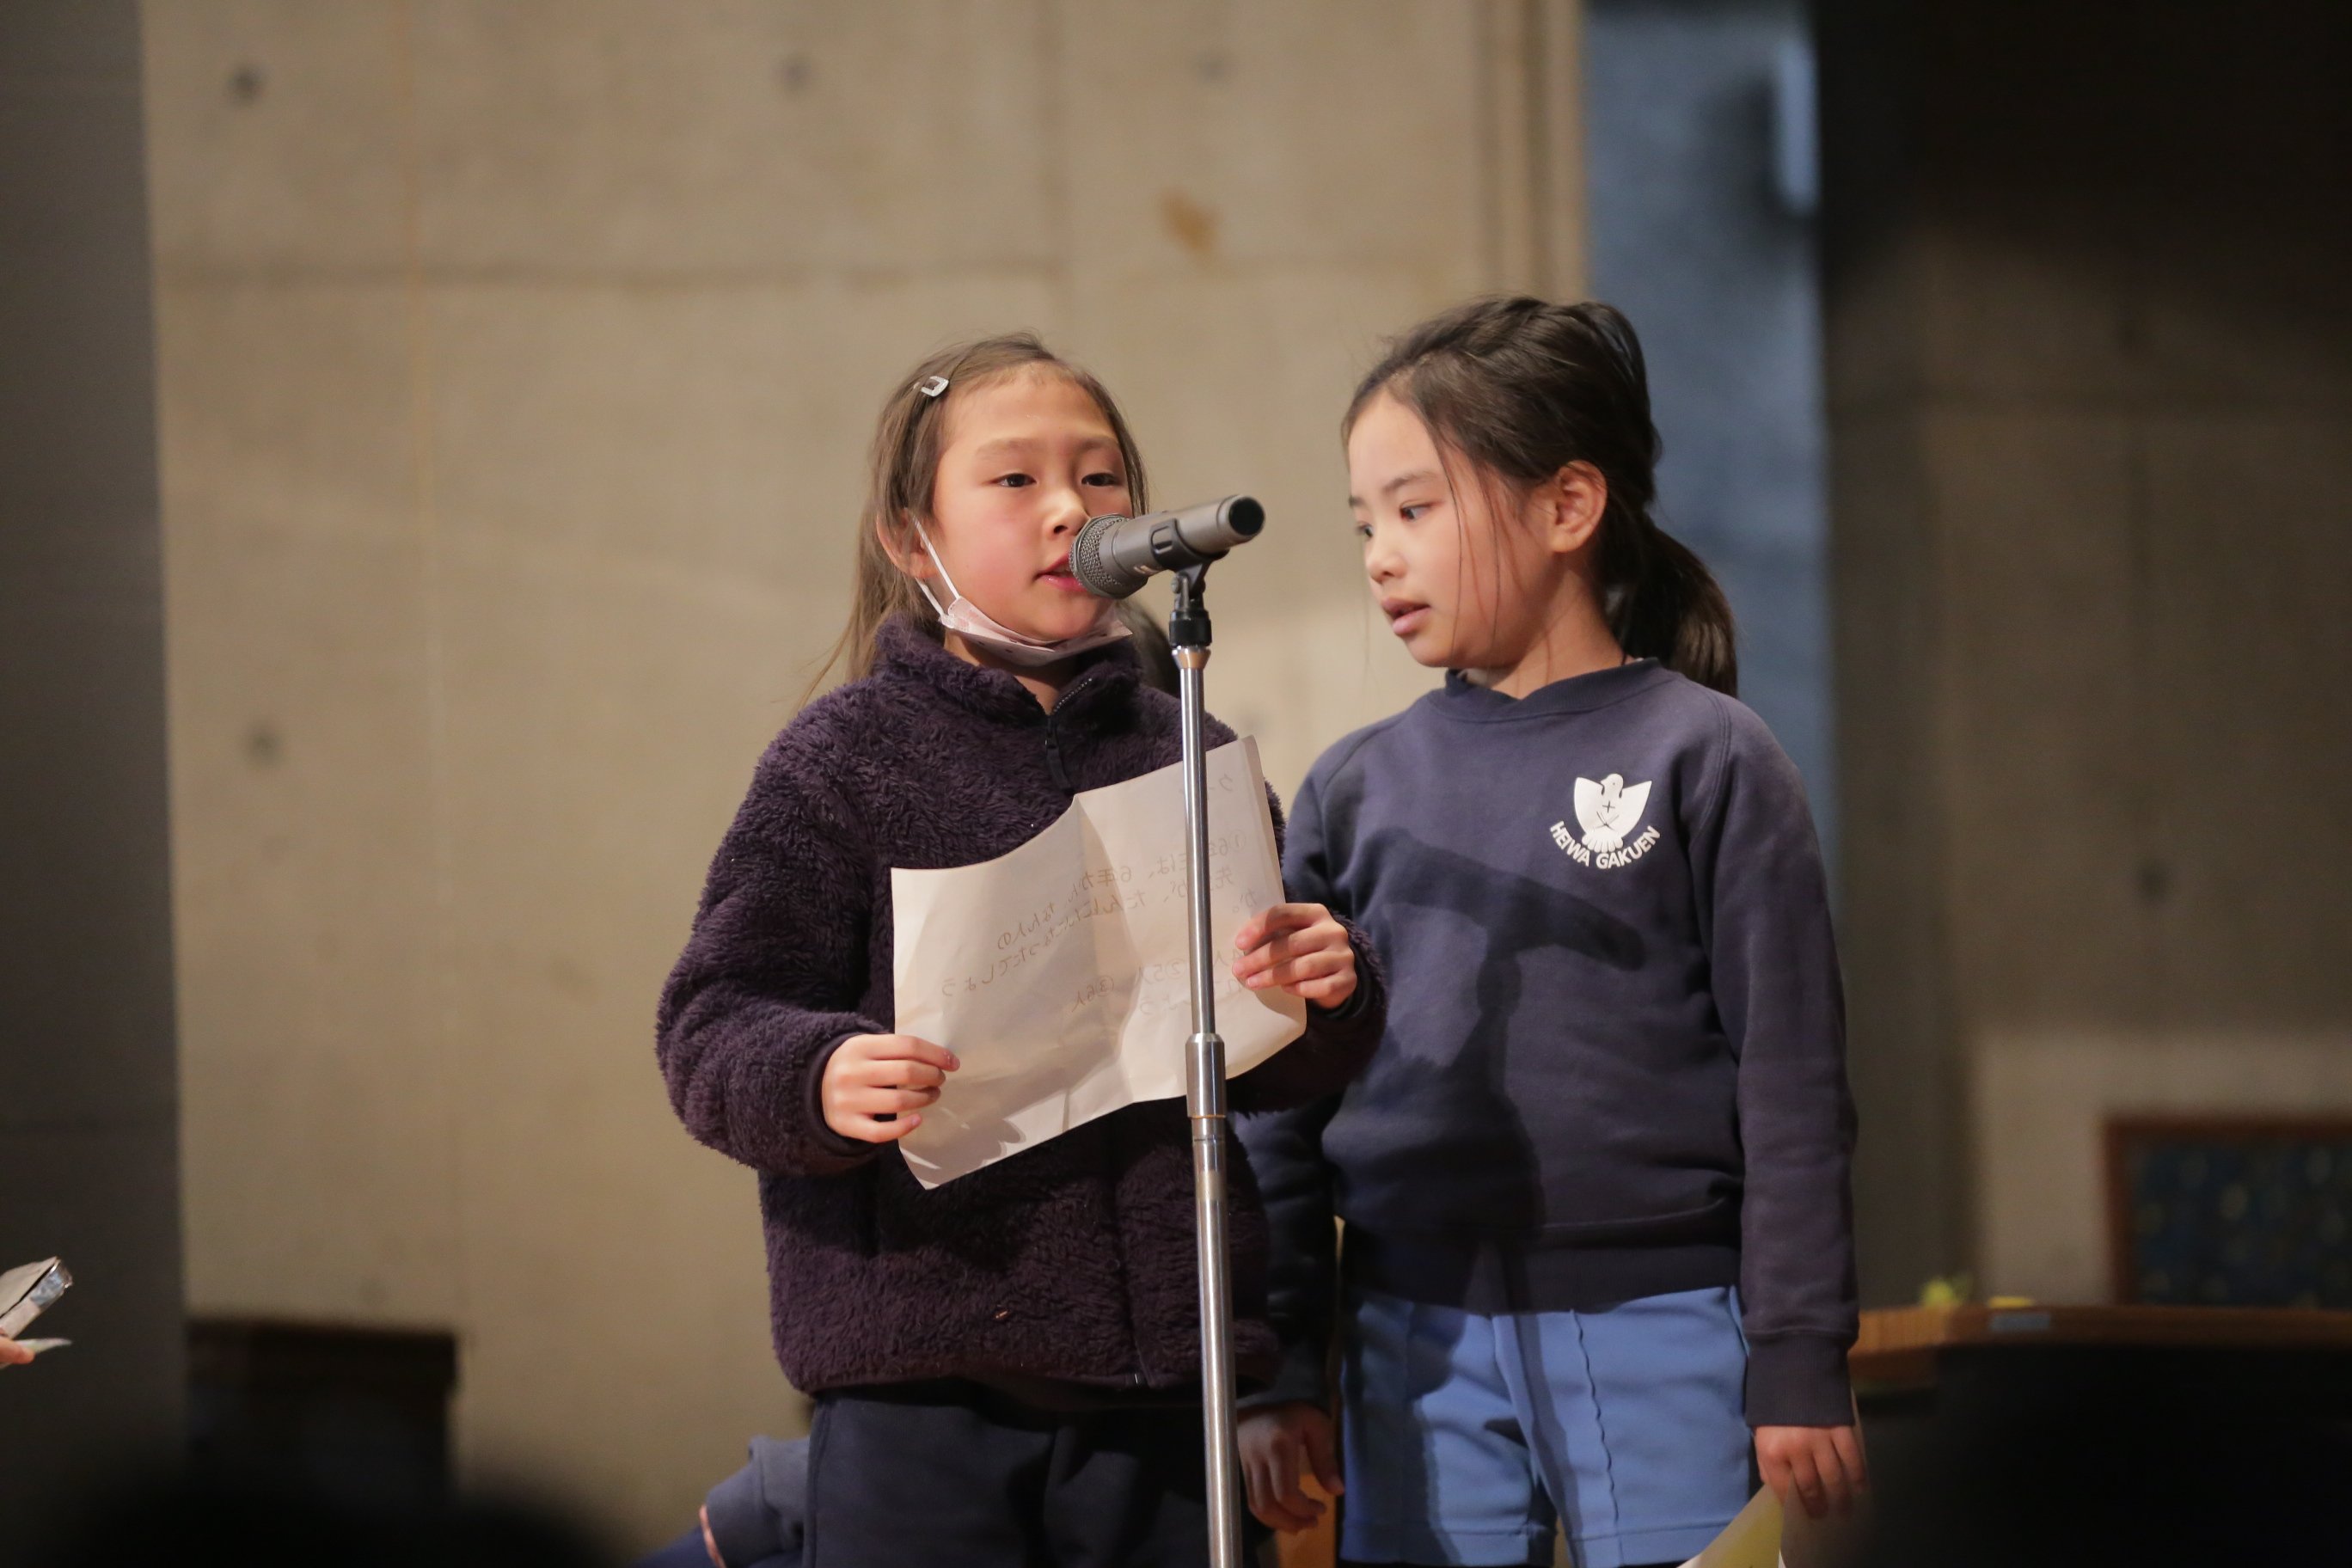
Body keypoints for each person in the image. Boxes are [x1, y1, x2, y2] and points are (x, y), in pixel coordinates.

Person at [655, 334, 1387, 1568]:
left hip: (1169, 1386)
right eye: (1015, 479)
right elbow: (712, 1019)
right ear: (911, 538)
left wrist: (1324, 991)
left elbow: (1270, 1066)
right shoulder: (841, 761)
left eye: (1100, 477)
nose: (1070, 509)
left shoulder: (1190, 747)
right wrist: (818, 1075)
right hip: (923, 1385)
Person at [1235, 297, 1862, 1568]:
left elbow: (1792, 1082)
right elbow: (1280, 1113)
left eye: (1416, 510)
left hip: (1667, 1318)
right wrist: (1278, 1362)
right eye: (1365, 524)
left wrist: (1799, 1351)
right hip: (1409, 1335)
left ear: (1568, 506)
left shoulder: (1707, 754)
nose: (1381, 557)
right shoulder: (1354, 787)